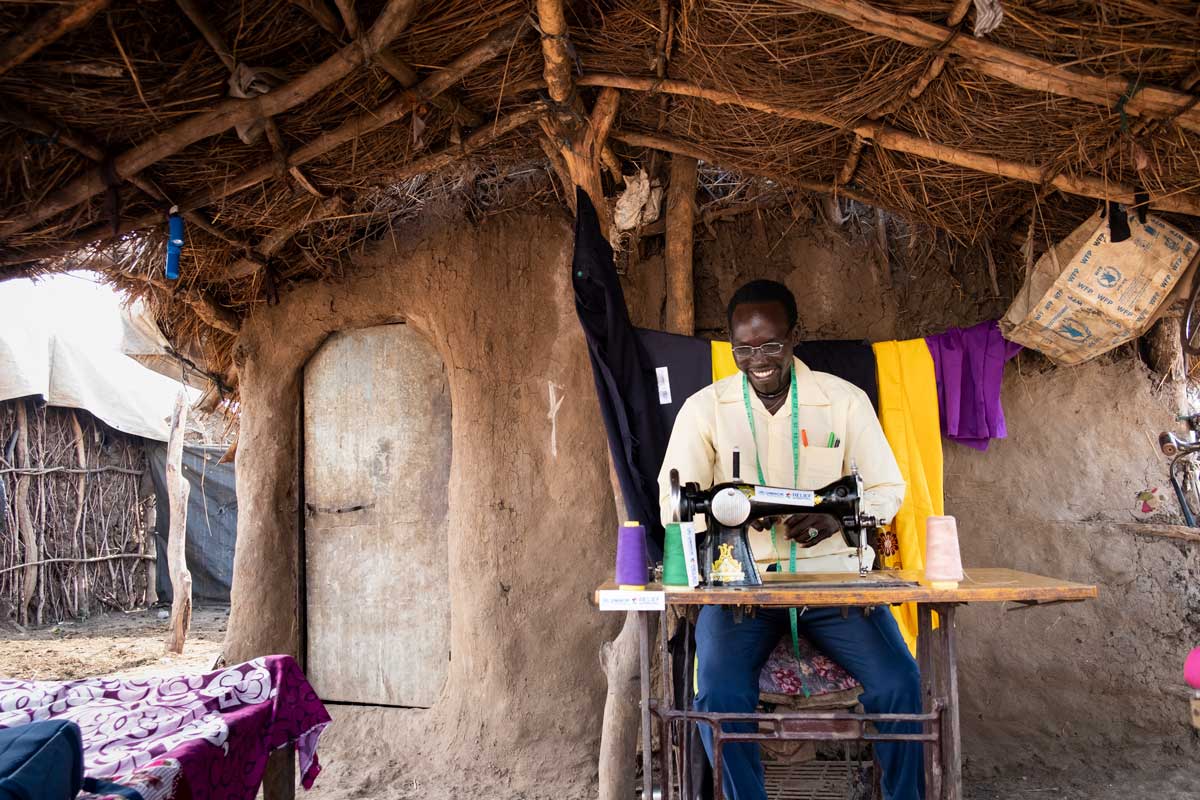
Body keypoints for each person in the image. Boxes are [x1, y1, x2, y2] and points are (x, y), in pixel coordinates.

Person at [657, 279, 923, 800]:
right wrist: (719, 510)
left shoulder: (843, 402)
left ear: (793, 338)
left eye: (771, 345)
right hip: (743, 590)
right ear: (732, 346)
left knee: (900, 683)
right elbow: (673, 501)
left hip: (833, 582)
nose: (759, 359)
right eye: (745, 348)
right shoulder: (704, 409)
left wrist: (840, 518)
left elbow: (889, 487)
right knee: (717, 692)